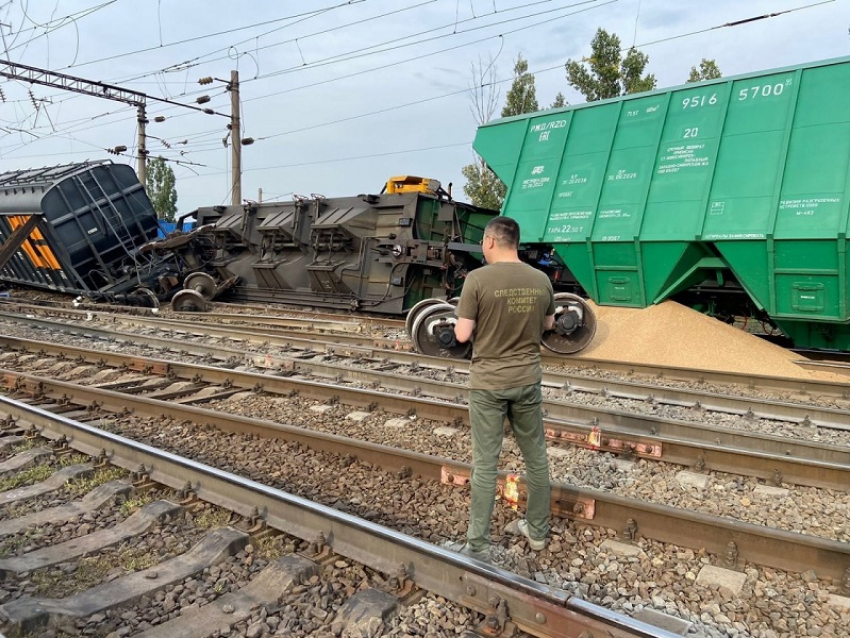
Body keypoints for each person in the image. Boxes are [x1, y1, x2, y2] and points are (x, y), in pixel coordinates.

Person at [452, 216, 555, 560]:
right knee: (536, 457)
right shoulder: (541, 279)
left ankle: (479, 543)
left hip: (488, 383)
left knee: (486, 463)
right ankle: (537, 531)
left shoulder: (477, 280)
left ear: (491, 241)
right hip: (527, 379)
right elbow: (549, 323)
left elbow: (462, 335)